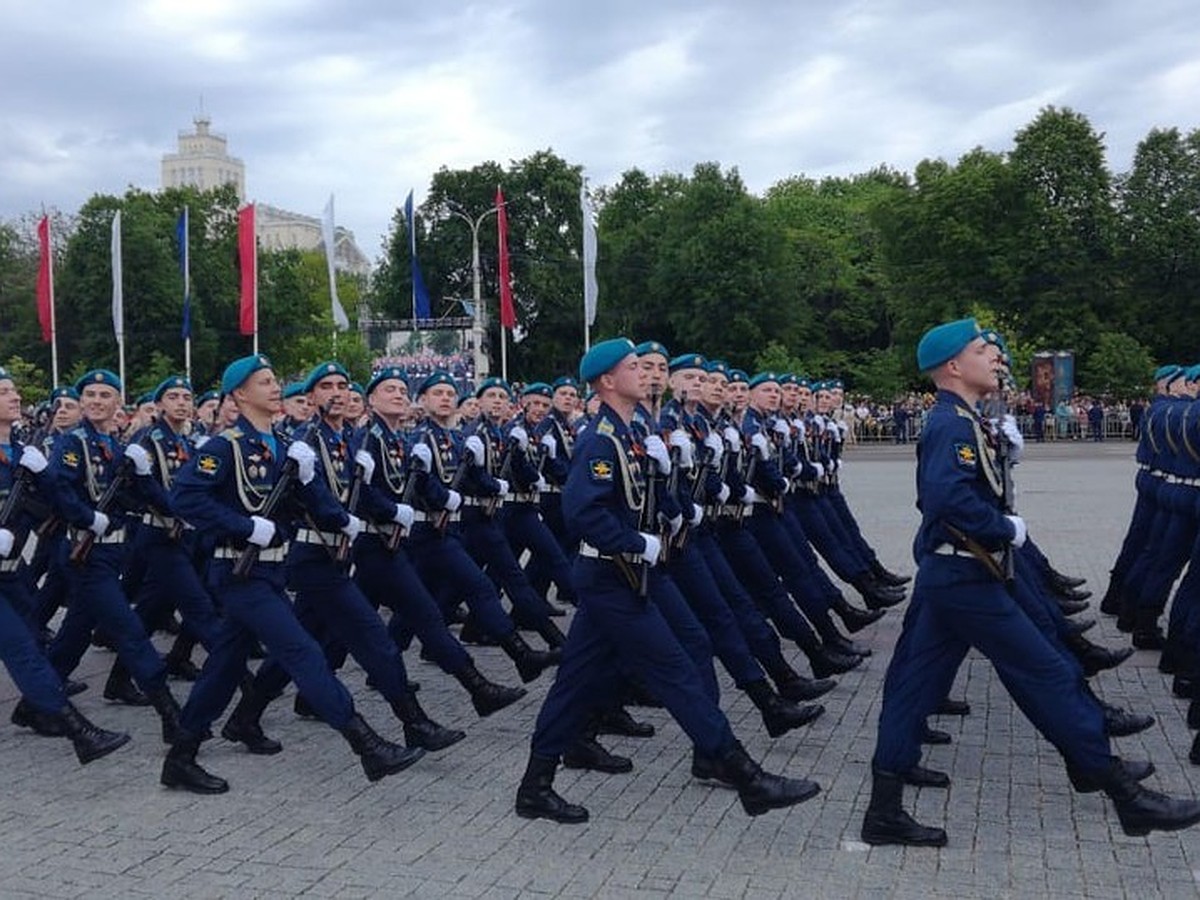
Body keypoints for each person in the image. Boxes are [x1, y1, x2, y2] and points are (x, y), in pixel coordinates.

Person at [861, 318, 1200, 846]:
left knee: (914, 683)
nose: (996, 359)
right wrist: (1003, 528)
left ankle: (884, 807)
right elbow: (946, 499)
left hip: (952, 572)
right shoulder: (951, 422)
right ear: (953, 366)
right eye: (983, 351)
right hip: (965, 574)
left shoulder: (963, 417)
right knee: (1042, 671)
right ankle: (1117, 789)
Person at [514, 338, 820, 824]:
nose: (644, 374)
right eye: (633, 367)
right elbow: (582, 512)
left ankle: (535, 787)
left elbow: (634, 500)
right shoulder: (600, 439)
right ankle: (746, 776)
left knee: (575, 683)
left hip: (624, 574)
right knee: (677, 668)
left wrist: (664, 510)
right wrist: (640, 543)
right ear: (608, 381)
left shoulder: (630, 433)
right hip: (612, 574)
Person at [161, 354, 424, 794]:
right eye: (263, 381)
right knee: (304, 653)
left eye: (273, 379)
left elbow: (310, 500)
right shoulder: (226, 446)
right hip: (238, 573)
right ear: (240, 394)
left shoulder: (281, 444)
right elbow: (184, 498)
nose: (274, 386)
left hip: (270, 573)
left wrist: (341, 518)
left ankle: (181, 756)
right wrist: (246, 526)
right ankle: (368, 745)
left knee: (224, 666)